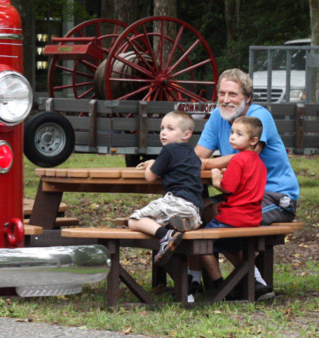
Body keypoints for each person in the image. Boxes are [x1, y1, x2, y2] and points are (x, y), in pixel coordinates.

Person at [191, 69, 296, 299]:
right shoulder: (217, 116)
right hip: (240, 194)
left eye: (233, 94)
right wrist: (167, 160)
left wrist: (207, 163)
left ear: (247, 98)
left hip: (277, 196)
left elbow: (250, 154)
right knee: (202, 209)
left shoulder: (258, 118)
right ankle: (218, 283)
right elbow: (197, 154)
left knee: (228, 216)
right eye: (221, 93)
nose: (226, 99)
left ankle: (252, 281)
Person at [198, 115, 268, 298]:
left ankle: (220, 286)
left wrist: (216, 178)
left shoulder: (238, 160)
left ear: (253, 140)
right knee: (230, 246)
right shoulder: (259, 162)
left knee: (199, 243)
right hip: (252, 217)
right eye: (232, 133)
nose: (232, 137)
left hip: (233, 217)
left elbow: (227, 188)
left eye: (239, 134)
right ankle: (257, 281)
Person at [127, 111, 203, 269]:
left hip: (176, 200)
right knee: (161, 221)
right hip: (195, 210)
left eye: (170, 129)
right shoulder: (192, 153)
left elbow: (150, 177)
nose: (164, 132)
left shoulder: (168, 150)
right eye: (162, 128)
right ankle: (177, 226)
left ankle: (165, 236)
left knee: (134, 220)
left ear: (186, 134)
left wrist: (150, 164)